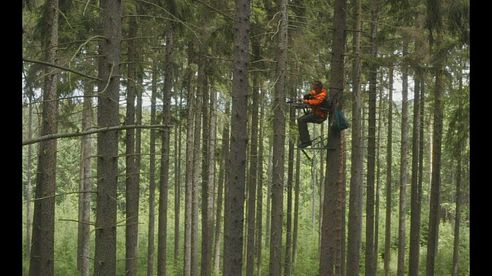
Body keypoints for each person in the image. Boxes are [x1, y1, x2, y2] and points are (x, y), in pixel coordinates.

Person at [297, 80, 331, 148]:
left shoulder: (322, 95)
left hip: (319, 116)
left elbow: (316, 102)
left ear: (319, 88)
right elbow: (313, 93)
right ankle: (305, 140)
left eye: (315, 88)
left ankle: (306, 141)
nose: (314, 90)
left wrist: (305, 101)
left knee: (301, 120)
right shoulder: (318, 91)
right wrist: (308, 95)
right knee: (300, 120)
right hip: (315, 113)